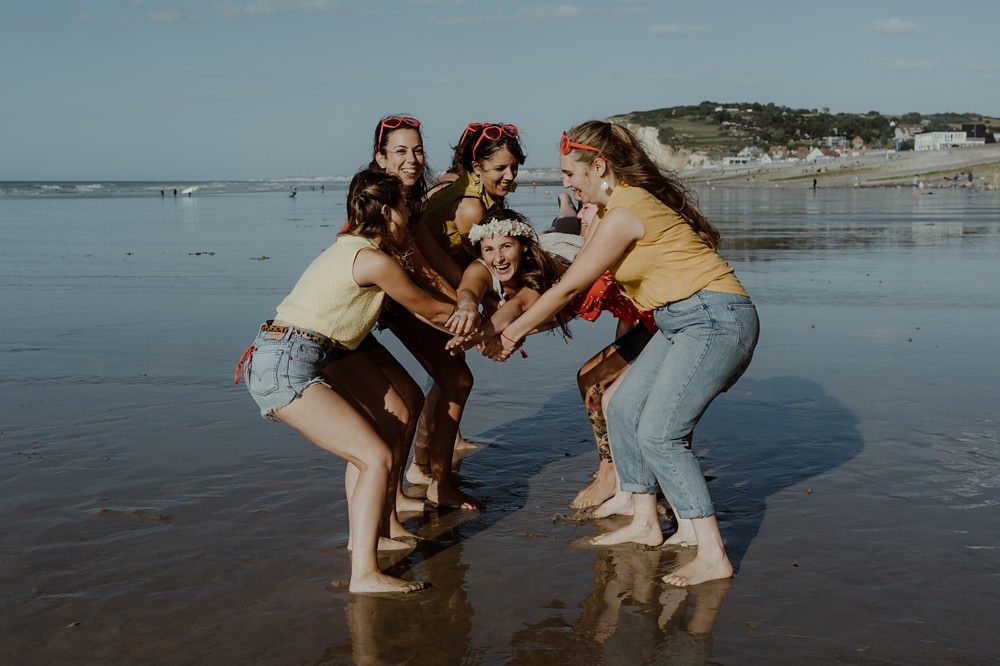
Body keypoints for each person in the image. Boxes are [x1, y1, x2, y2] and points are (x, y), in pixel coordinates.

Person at [497, 121, 759, 587]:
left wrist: (513, 333)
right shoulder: (615, 208)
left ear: (599, 166)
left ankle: (712, 552)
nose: (566, 184)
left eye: (569, 173)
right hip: (680, 320)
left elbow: (573, 285)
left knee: (661, 434)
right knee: (620, 403)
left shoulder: (624, 212)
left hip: (714, 318)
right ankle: (644, 518)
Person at [236, 169, 455, 594]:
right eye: (406, 213)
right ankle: (365, 575)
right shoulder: (375, 261)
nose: (408, 222)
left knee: (367, 451)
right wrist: (492, 327)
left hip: (291, 353)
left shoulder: (347, 248)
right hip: (287, 363)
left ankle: (363, 542)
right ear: (389, 211)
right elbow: (431, 311)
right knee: (374, 456)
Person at [404, 122, 527, 509]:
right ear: (477, 168)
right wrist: (477, 304)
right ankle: (430, 474)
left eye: (514, 167)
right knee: (456, 379)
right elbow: (445, 263)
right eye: (500, 170)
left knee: (447, 376)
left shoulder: (465, 185)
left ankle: (427, 462)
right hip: (418, 289)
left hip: (439, 284)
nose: (509, 176)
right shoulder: (472, 207)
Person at [445, 209, 571, 348]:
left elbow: (519, 304)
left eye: (506, 246)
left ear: (524, 246)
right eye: (488, 249)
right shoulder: (480, 268)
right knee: (559, 223)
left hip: (564, 247)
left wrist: (477, 336)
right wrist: (467, 306)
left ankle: (566, 203)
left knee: (569, 221)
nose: (498, 258)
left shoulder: (541, 267)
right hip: (545, 239)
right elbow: (468, 290)